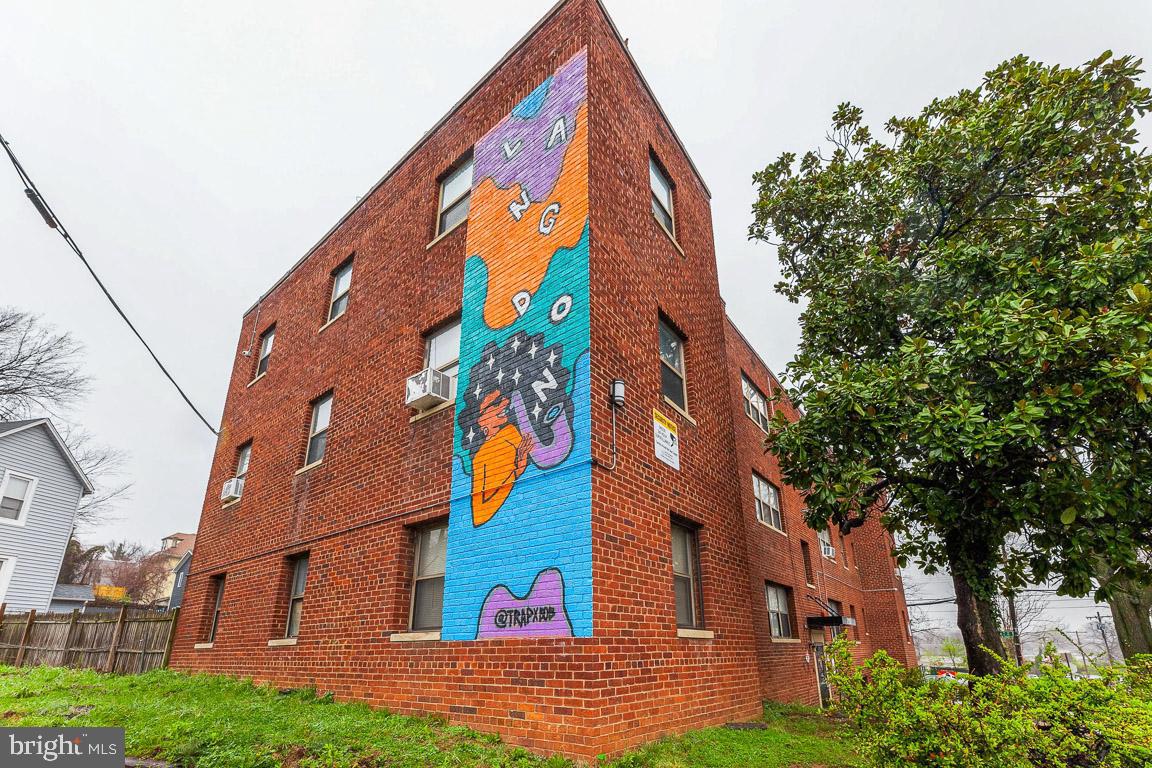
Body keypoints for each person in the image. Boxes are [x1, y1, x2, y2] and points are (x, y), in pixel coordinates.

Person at [471, 390, 535, 526]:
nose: (505, 403)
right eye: (495, 404)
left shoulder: (511, 431)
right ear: (482, 419)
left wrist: (521, 461)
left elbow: (515, 473)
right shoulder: (479, 458)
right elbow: (478, 515)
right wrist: (517, 469)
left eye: (502, 400)